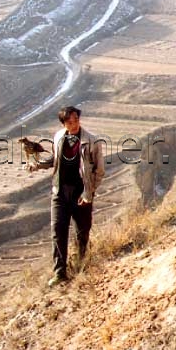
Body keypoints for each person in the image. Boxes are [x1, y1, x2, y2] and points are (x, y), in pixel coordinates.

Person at [29, 106, 105, 286]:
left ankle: (81, 266)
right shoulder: (58, 137)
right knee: (57, 231)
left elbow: (99, 171)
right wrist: (37, 165)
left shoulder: (92, 141)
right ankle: (60, 272)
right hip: (60, 192)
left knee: (82, 232)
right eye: (70, 122)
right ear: (63, 123)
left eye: (76, 120)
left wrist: (88, 193)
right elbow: (55, 161)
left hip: (81, 193)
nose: (74, 124)